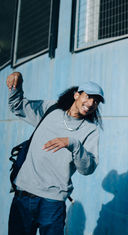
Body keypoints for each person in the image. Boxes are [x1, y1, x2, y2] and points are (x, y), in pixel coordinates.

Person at [6, 71, 104, 235]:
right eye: (88, 96)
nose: (92, 102)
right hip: (24, 194)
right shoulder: (51, 109)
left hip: (53, 201)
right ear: (76, 95)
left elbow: (87, 169)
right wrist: (17, 81)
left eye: (97, 101)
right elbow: (17, 106)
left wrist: (73, 144)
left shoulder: (91, 130)